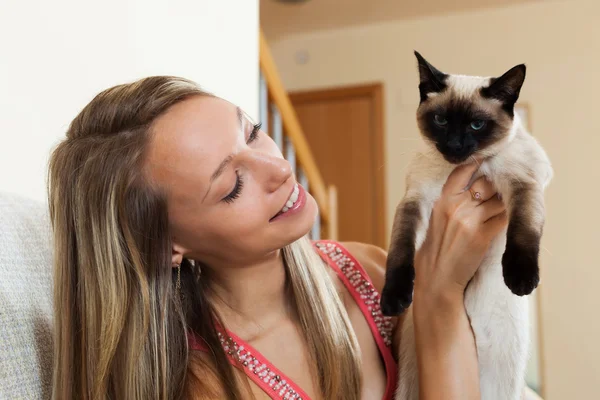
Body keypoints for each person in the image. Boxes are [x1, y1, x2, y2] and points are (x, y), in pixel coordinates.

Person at [48, 76, 541, 400]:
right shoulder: (205, 386)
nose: (279, 168)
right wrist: (437, 297)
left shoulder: (365, 271)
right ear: (165, 246)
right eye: (232, 184)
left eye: (254, 132)